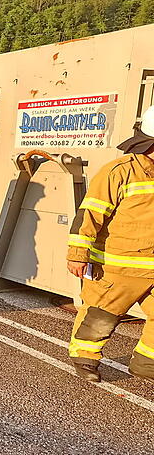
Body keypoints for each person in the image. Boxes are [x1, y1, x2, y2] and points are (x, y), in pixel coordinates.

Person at [65, 105, 154, 383]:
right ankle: (85, 359)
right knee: (101, 317)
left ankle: (145, 363)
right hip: (117, 267)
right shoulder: (118, 172)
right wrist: (78, 254)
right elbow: (89, 214)